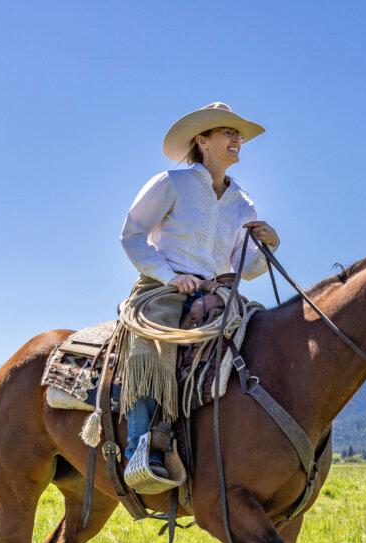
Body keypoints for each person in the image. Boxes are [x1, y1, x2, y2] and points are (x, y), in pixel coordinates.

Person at [119, 102, 280, 477]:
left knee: (257, 342)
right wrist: (169, 275)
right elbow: (132, 235)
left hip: (219, 291)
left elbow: (247, 267)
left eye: (239, 134)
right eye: (229, 132)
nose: (237, 139)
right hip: (164, 287)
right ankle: (140, 452)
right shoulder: (170, 183)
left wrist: (267, 246)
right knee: (151, 349)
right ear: (202, 140)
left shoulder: (244, 203)